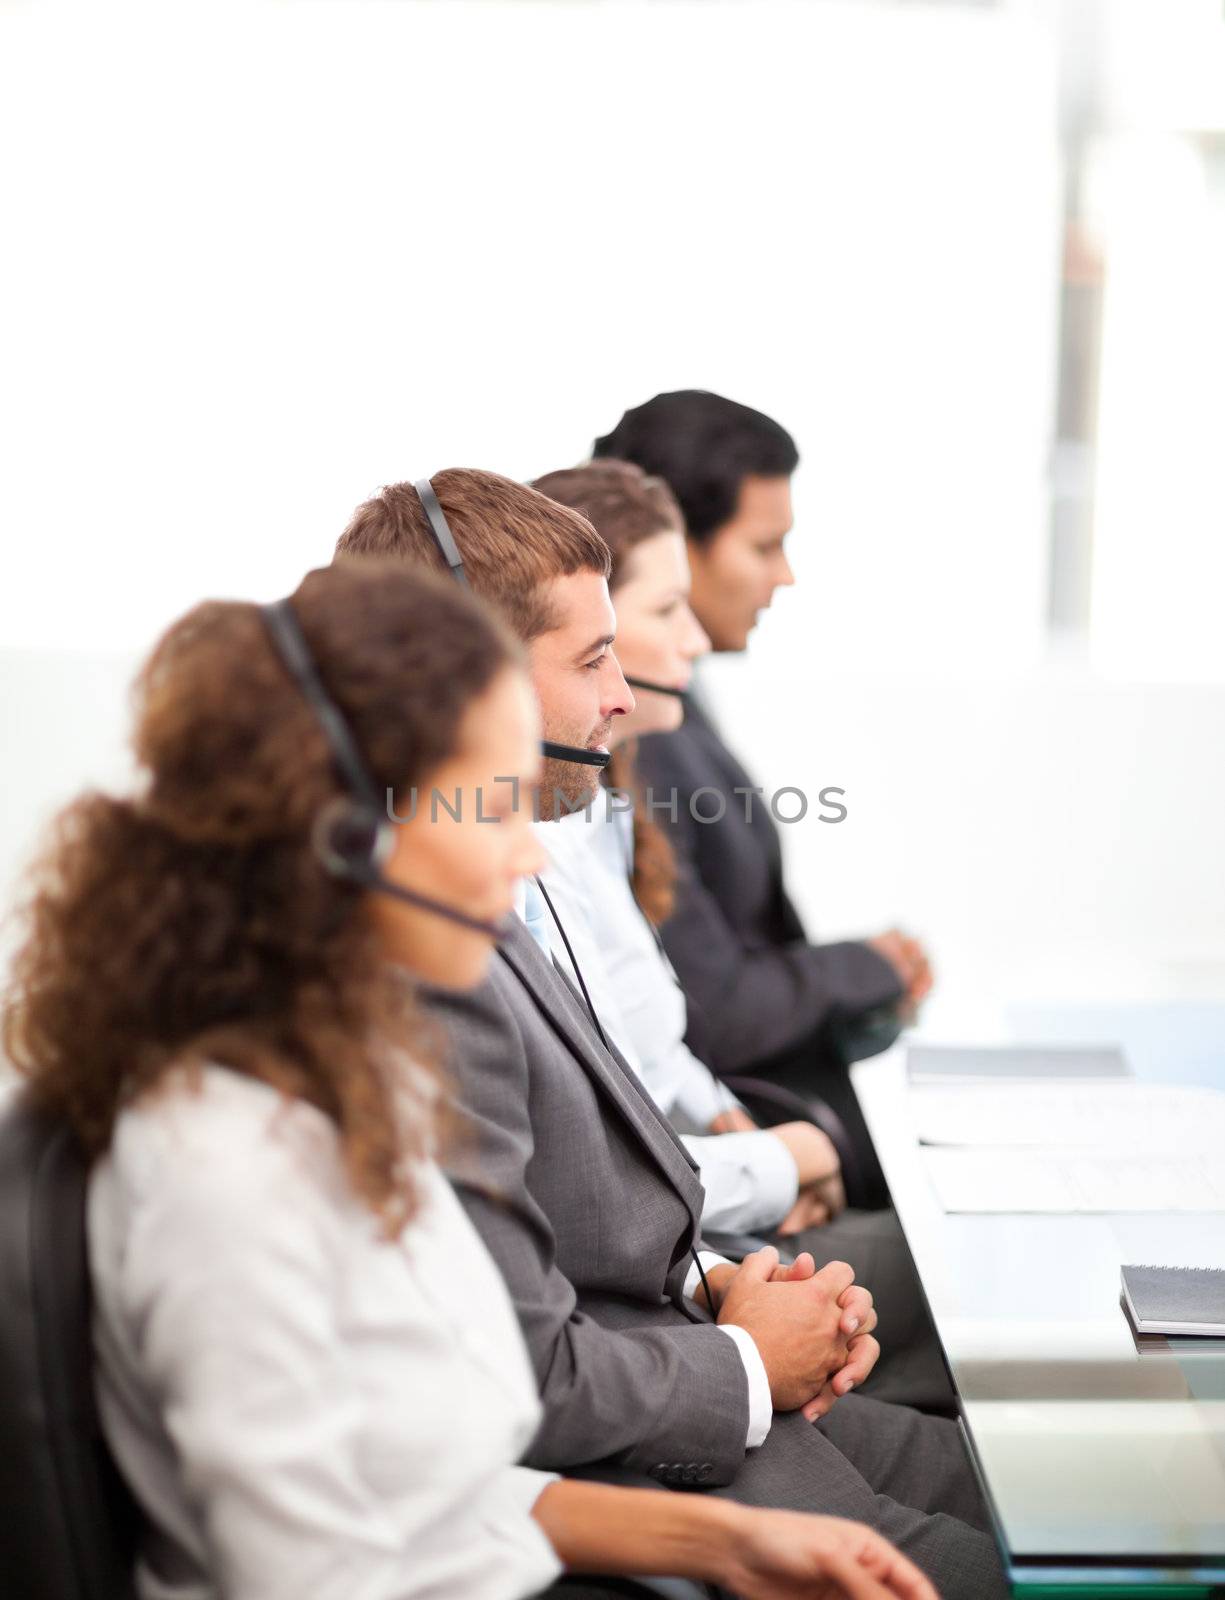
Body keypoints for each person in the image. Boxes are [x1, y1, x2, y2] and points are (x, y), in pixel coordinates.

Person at [0, 560, 934, 1600]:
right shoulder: (224, 1170)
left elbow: (425, 1486)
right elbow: (320, 1574)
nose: (529, 858)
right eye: (491, 808)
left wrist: (713, 1543)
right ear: (349, 834)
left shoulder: (340, 1081)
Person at [336, 472, 1009, 1600]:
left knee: (1028, 1496)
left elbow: (588, 1209)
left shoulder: (494, 887)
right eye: (593, 656)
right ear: (473, 676)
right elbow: (517, 1363)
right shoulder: (421, 955)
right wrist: (746, 1351)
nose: (621, 694)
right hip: (641, 1446)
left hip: (686, 1346)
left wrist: (725, 1291)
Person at [528, 460, 951, 1414]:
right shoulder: (529, 857)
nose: (689, 646)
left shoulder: (594, 812)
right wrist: (780, 1163)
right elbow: (598, 1176)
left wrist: (748, 1145)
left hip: (703, 1234)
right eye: (658, 616)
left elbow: (659, 1068)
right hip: (673, 1287)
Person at [591, 391, 933, 1187]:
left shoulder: (677, 692)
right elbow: (713, 1006)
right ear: (673, 540)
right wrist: (867, 968)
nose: (784, 576)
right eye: (764, 546)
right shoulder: (638, 720)